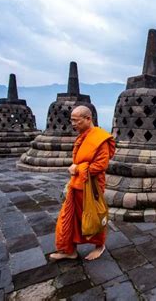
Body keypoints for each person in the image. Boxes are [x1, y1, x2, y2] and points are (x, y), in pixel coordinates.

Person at [50, 106, 116, 261]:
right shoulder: (83, 135)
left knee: (93, 215)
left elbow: (100, 166)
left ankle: (99, 246)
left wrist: (78, 168)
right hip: (77, 184)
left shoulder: (100, 139)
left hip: (91, 186)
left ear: (88, 119)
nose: (72, 123)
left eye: (76, 120)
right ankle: (68, 249)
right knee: (69, 217)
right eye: (71, 120)